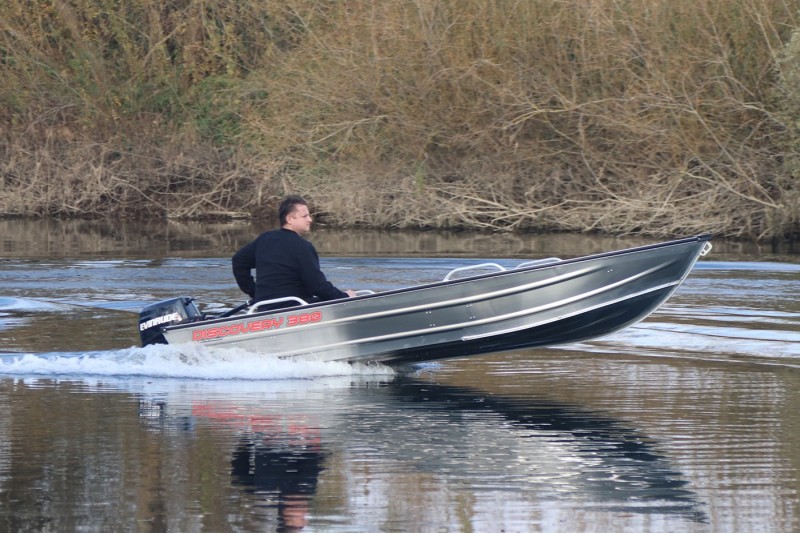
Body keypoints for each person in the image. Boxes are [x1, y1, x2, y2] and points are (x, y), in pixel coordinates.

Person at [232, 195, 355, 310]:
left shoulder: (265, 239)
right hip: (293, 308)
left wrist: (256, 294)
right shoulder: (303, 246)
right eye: (304, 216)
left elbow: (238, 261)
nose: (310, 219)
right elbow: (317, 285)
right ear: (290, 219)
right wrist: (344, 297)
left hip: (265, 307)